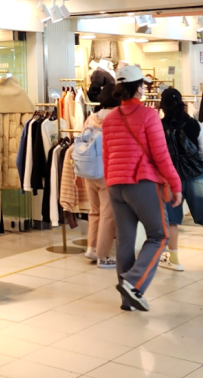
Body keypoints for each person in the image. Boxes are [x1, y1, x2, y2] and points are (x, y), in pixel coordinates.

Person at [102, 64, 182, 312]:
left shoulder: (109, 118)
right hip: (142, 183)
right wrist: (175, 183)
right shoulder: (149, 115)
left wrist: (110, 181)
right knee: (160, 235)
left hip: (116, 186)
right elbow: (161, 155)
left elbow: (106, 156)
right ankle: (133, 283)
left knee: (125, 242)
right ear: (138, 88)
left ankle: (128, 300)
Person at [158, 88, 203, 272]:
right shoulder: (195, 125)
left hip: (170, 177)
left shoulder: (158, 126)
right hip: (195, 175)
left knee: (172, 220)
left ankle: (174, 260)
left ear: (163, 105)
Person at [83, 85, 119, 269]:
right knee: (107, 214)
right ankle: (103, 256)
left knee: (94, 211)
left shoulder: (91, 118)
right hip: (106, 170)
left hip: (88, 169)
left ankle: (92, 247)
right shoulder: (117, 118)